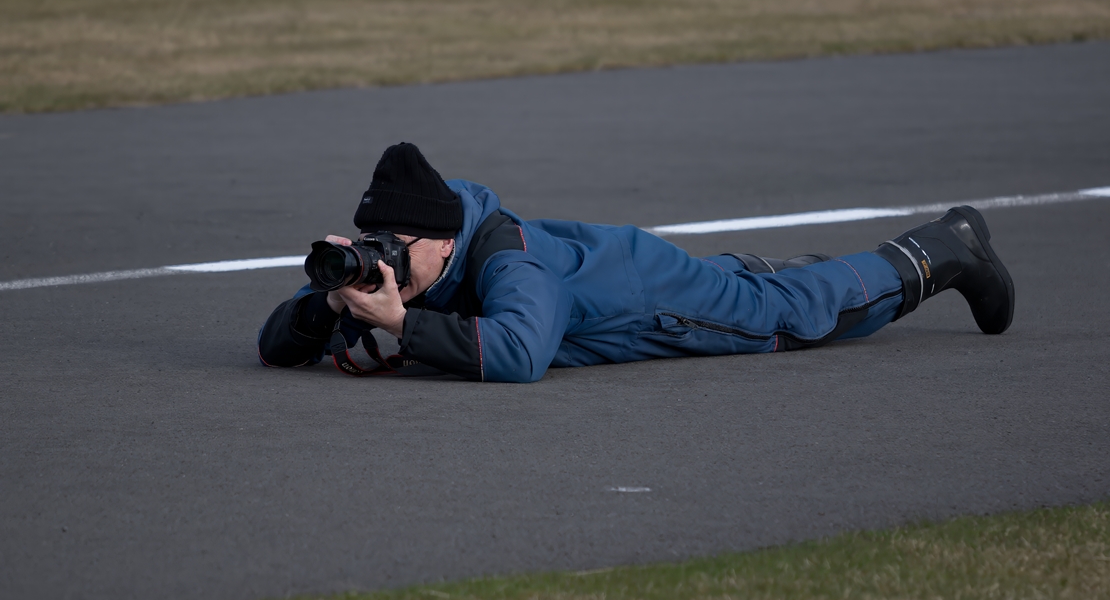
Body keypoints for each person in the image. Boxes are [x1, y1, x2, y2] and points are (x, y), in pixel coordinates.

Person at [258, 142, 1014, 382]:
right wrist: (327, 303)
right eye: (373, 247)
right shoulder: (402, 260)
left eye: (396, 249)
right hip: (614, 267)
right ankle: (750, 272)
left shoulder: (508, 265)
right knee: (751, 286)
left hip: (649, 292)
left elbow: (519, 354)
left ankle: (944, 247)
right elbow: (272, 348)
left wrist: (402, 326)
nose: (383, 263)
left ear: (445, 241)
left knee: (790, 317)